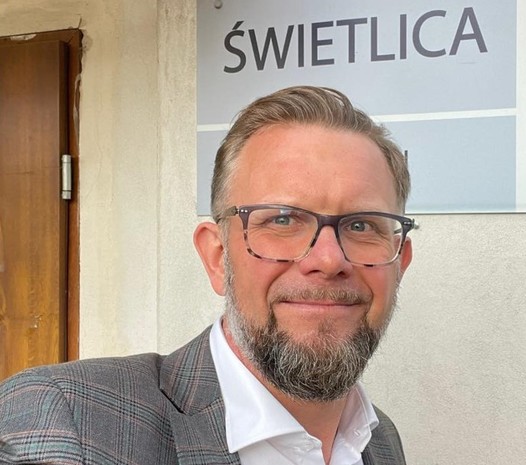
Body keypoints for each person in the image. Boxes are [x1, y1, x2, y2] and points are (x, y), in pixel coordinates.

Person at [0, 86, 414, 465]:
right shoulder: (68, 420)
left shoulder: (380, 441)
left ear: (400, 263)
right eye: (283, 219)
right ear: (217, 257)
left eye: (362, 225)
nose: (328, 259)